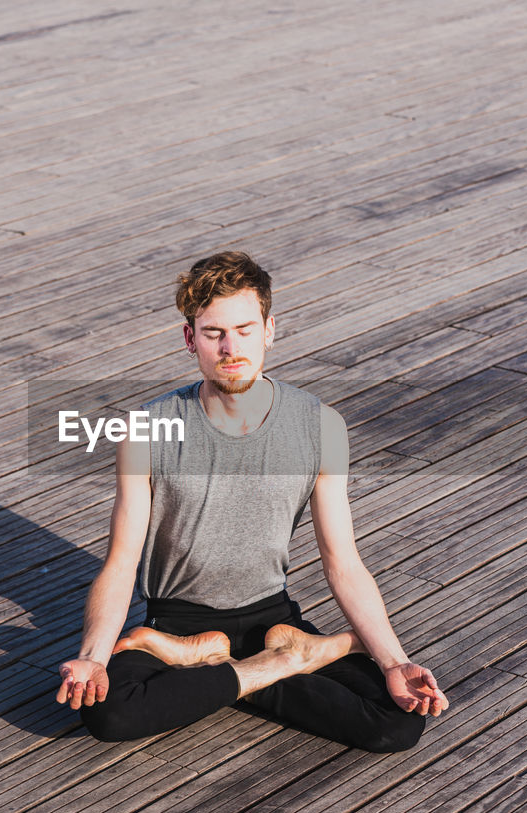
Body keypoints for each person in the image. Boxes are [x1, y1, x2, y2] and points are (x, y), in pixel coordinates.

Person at [54, 250, 449, 752]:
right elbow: (121, 562)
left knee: (398, 719)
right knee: (106, 711)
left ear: (269, 329)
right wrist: (93, 654)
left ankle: (221, 674)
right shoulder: (147, 428)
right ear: (190, 338)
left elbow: (342, 562)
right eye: (214, 333)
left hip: (272, 620)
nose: (229, 347)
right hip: (177, 623)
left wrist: (394, 662)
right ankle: (281, 664)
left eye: (243, 329)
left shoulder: (319, 426)